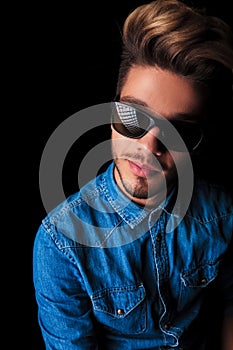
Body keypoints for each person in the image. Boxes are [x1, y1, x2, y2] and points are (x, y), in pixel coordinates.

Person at [33, 0, 233, 349]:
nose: (149, 146)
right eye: (133, 118)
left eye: (180, 132)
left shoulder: (222, 214)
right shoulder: (61, 244)